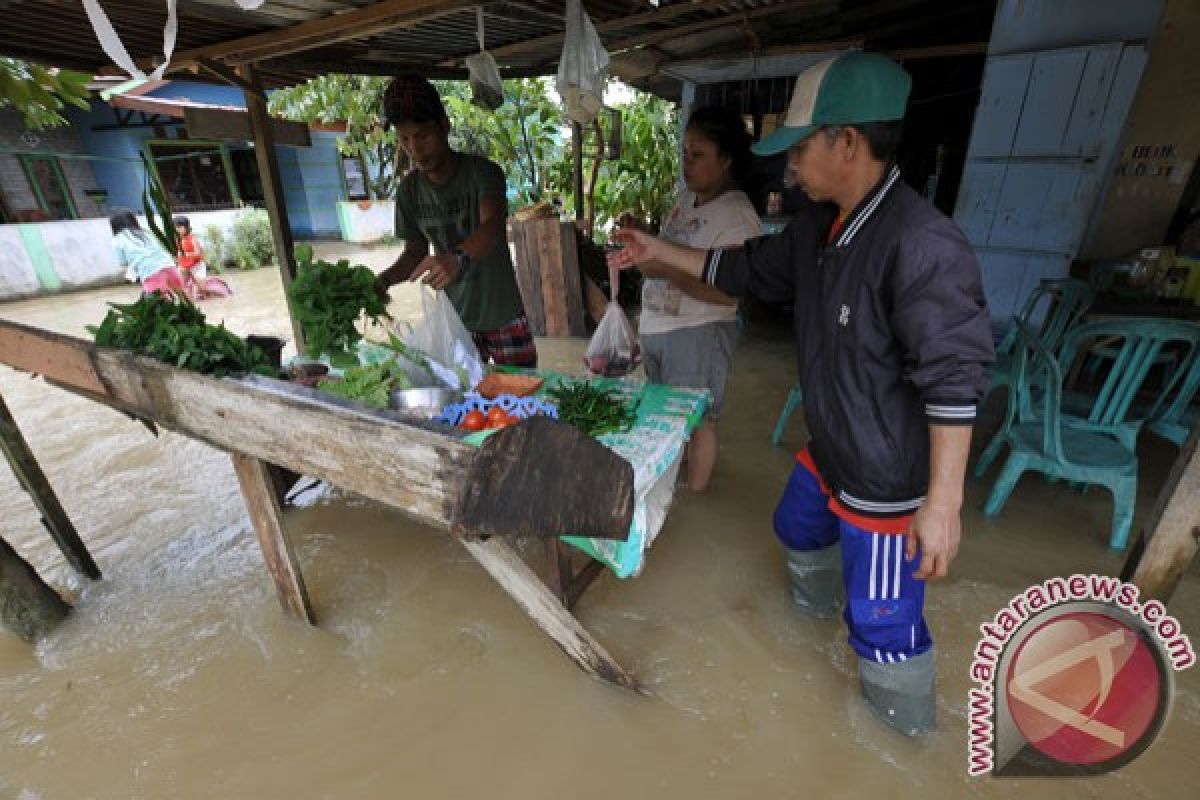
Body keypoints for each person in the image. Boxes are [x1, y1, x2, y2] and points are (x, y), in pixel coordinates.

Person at [609, 52, 994, 735]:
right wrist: (655, 250)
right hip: (833, 447)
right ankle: (811, 628)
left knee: (884, 626)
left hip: (885, 479)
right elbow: (741, 269)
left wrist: (943, 503)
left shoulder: (923, 244)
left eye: (800, 148)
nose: (788, 167)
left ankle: (903, 739)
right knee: (793, 526)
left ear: (848, 142)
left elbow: (956, 380)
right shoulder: (819, 225)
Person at [375, 75, 536, 368]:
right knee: (463, 403)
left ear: (445, 126)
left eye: (423, 136)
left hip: (502, 313)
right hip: (454, 321)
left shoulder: (483, 173)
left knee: (520, 399)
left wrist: (456, 259)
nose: (415, 148)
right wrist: (383, 281)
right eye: (404, 139)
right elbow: (414, 253)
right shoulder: (409, 191)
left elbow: (493, 228)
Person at [640, 105, 761, 492]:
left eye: (698, 156)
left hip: (699, 333)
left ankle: (696, 499)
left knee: (699, 420)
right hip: (661, 329)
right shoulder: (684, 199)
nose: (686, 164)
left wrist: (664, 268)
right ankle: (676, 485)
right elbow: (669, 251)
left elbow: (727, 293)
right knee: (667, 416)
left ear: (725, 160)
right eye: (685, 154)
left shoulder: (737, 216)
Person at [109, 209, 186, 295]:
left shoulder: (117, 240)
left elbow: (122, 262)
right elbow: (159, 247)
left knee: (159, 299)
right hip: (168, 264)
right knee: (182, 294)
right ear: (133, 220)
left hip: (149, 271)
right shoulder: (145, 232)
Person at [174, 216, 232, 299]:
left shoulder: (192, 238)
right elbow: (177, 252)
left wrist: (186, 254)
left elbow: (198, 253)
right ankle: (190, 302)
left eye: (180, 227)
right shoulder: (177, 239)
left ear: (186, 227)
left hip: (196, 265)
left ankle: (224, 294)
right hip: (184, 266)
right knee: (180, 286)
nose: (177, 229)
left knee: (203, 288)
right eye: (176, 227)